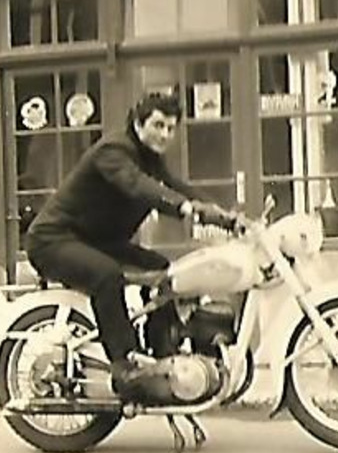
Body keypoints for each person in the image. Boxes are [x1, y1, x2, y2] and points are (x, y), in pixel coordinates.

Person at [23, 91, 238, 394]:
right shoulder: (114, 151)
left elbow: (178, 187)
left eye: (171, 128)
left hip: (95, 240)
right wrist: (183, 209)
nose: (165, 134)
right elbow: (138, 187)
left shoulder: (150, 159)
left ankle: (164, 353)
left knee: (165, 269)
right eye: (159, 125)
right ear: (138, 124)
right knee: (106, 275)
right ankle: (125, 366)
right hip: (54, 239)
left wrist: (227, 217)